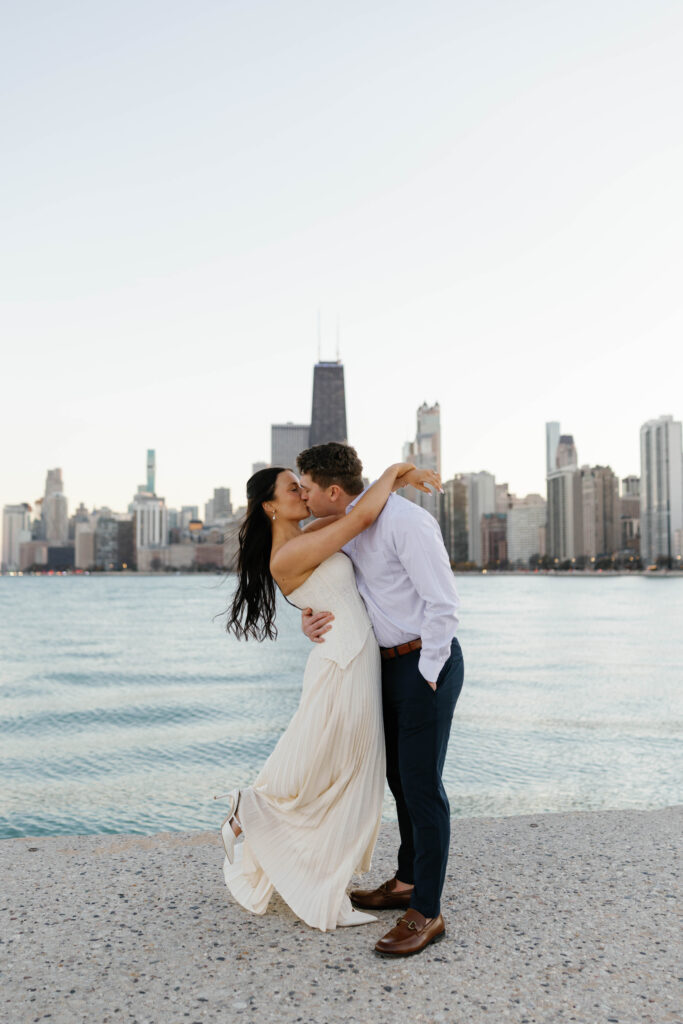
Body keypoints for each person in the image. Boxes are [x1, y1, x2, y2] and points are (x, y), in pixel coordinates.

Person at [218, 459, 441, 933]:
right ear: (270, 506)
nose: (302, 492)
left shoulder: (306, 533)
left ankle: (257, 817)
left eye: (302, 485)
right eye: (291, 488)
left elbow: (356, 506)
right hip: (343, 667)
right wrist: (397, 468)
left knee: (338, 769)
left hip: (355, 660)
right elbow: (359, 519)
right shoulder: (284, 556)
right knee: (346, 772)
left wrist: (399, 481)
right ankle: (257, 815)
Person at [297, 442, 463, 956]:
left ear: (330, 490)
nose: (301, 497)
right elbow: (334, 583)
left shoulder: (405, 524)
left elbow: (443, 603)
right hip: (385, 666)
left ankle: (427, 911)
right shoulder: (348, 525)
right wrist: (310, 615)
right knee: (397, 779)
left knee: (421, 786)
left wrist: (428, 672)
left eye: (305, 489)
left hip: (424, 665)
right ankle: (408, 880)